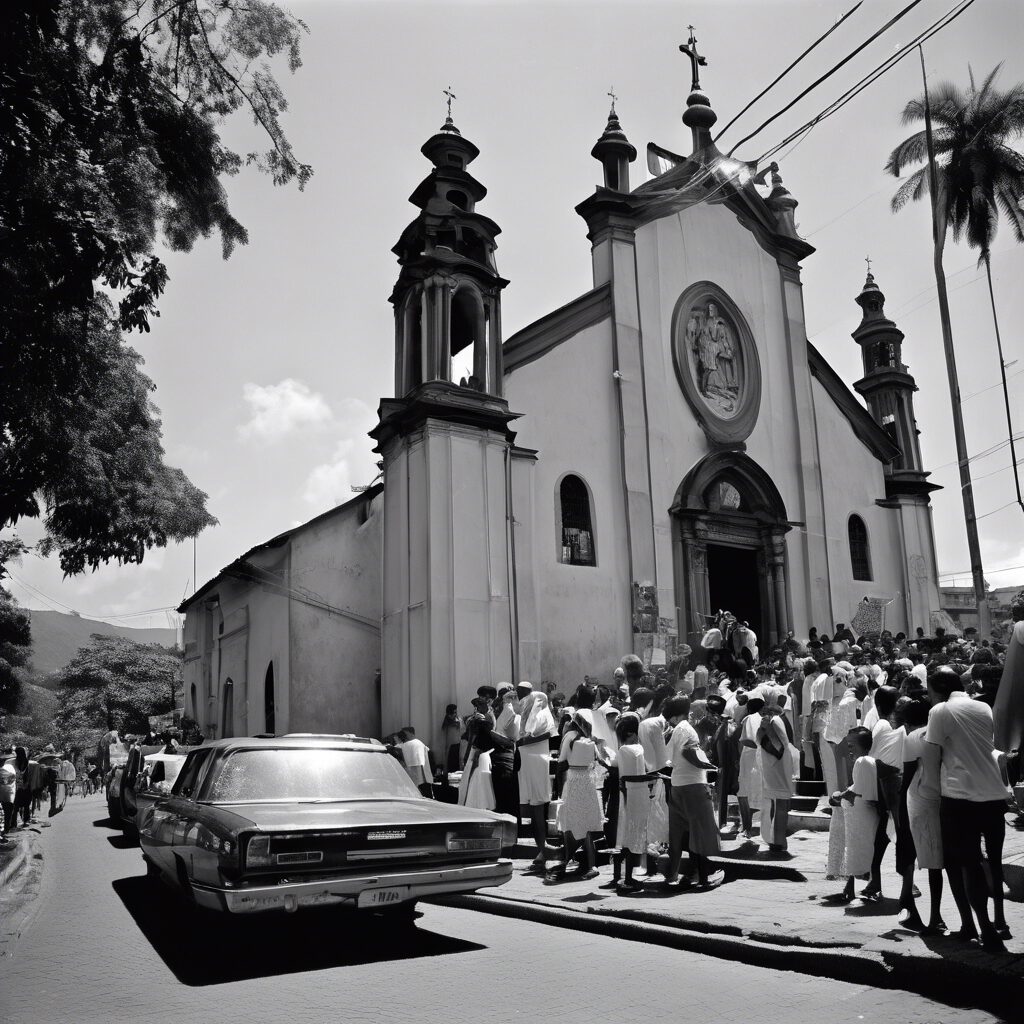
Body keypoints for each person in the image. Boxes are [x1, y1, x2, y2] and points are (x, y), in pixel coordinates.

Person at [926, 666, 1012, 952]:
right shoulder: (982, 707)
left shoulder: (940, 711)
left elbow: (930, 760)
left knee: (969, 863)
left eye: (929, 691)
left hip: (960, 797)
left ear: (937, 690)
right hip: (993, 796)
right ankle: (998, 920)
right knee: (994, 862)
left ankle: (986, 928)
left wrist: (929, 796)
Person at [664, 695, 724, 890]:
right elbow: (690, 754)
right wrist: (711, 767)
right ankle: (704, 878)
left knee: (679, 834)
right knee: (701, 831)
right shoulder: (687, 729)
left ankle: (675, 875)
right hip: (694, 785)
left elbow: (670, 758)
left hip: (677, 785)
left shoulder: (675, 731)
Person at [899, 698, 946, 933]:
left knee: (932, 864)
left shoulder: (913, 737)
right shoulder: (945, 733)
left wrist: (899, 809)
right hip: (947, 797)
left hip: (921, 800)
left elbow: (907, 777)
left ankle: (935, 917)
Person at [549, 709, 604, 881]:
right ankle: (589, 863)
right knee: (586, 823)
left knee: (569, 823)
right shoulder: (592, 741)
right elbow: (599, 761)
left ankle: (567, 860)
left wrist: (557, 788)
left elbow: (561, 762)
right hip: (588, 781)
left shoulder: (570, 737)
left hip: (573, 780)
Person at [826, 727, 879, 903]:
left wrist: (837, 796)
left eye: (851, 746)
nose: (849, 750)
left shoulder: (862, 762)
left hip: (860, 816)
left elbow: (856, 791)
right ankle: (852, 887)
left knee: (857, 851)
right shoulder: (869, 761)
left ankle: (855, 888)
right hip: (860, 814)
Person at [602, 713, 651, 892]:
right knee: (633, 837)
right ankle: (628, 877)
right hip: (637, 795)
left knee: (624, 838)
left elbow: (621, 775)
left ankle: (620, 876)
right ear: (631, 733)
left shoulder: (624, 750)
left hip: (628, 796)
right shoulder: (637, 749)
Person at [865, 685, 903, 899]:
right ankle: (879, 880)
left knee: (885, 837)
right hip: (890, 787)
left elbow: (875, 757)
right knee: (886, 836)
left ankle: (879, 880)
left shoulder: (883, 724)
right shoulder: (889, 724)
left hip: (887, 787)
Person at [518, 690, 556, 871]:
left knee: (538, 809)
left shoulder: (543, 715)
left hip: (537, 763)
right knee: (532, 811)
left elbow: (534, 735)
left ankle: (544, 851)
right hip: (527, 764)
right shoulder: (530, 715)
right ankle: (541, 850)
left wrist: (519, 742)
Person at [757, 691, 794, 852]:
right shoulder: (775, 721)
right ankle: (776, 840)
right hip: (775, 767)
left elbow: (778, 747)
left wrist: (764, 731)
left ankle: (777, 840)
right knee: (778, 803)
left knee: (779, 804)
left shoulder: (774, 722)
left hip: (776, 767)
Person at [736, 691, 764, 839]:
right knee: (748, 792)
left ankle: (747, 826)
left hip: (748, 758)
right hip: (756, 758)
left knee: (744, 793)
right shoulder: (760, 718)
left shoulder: (749, 718)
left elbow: (746, 740)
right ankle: (746, 825)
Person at [397, 727, 435, 797]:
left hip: (410, 774)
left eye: (404, 733)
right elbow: (430, 755)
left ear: (410, 733)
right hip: (422, 775)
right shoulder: (420, 743)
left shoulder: (401, 746)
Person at [0, 754, 16, 841]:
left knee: (4, 814)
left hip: (4, 795)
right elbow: (13, 781)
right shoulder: (10, 771)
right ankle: (6, 830)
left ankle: (4, 831)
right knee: (7, 814)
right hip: (8, 795)